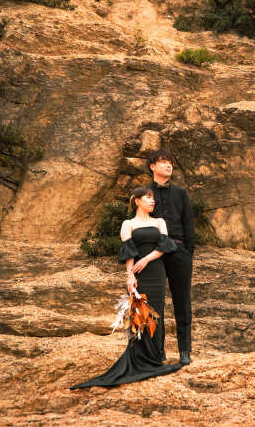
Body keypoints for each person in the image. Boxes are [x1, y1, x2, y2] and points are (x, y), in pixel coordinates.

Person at [70, 186, 181, 389]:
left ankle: (157, 355)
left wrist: (146, 259)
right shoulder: (128, 224)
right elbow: (129, 252)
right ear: (137, 201)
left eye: (153, 198)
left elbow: (165, 246)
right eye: (148, 197)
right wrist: (130, 277)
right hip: (139, 275)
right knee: (141, 312)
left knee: (157, 313)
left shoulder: (159, 222)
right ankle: (141, 356)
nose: (152, 201)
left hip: (156, 270)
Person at [147, 149, 195, 366]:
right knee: (155, 304)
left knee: (182, 302)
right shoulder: (144, 192)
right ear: (152, 166)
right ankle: (158, 351)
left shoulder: (181, 193)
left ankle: (185, 350)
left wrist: (187, 252)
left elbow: (189, 224)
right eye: (163, 162)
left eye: (170, 162)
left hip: (179, 251)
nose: (168, 166)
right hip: (153, 254)